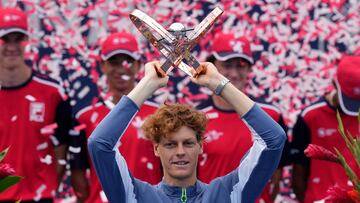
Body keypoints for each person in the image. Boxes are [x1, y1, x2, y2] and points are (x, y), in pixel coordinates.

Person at [87, 60, 286, 202]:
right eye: (170, 144)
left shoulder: (227, 193)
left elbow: (274, 140)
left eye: (188, 143)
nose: (180, 151)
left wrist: (219, 84)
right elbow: (99, 144)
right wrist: (146, 86)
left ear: (200, 146)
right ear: (156, 149)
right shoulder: (136, 195)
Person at [197, 31, 290, 202]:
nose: (234, 73)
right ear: (212, 65)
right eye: (227, 64)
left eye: (240, 64)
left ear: (249, 69)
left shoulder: (270, 116)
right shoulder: (195, 118)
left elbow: (276, 173)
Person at [70, 32, 162, 202]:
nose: (121, 68)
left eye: (127, 61)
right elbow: (78, 170)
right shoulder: (84, 116)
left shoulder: (160, 114)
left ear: (139, 65)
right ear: (103, 65)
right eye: (114, 62)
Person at [0, 7, 71, 202]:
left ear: (26, 41)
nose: (12, 46)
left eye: (18, 38)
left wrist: (45, 189)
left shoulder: (53, 91)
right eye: (5, 39)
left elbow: (61, 150)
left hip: (39, 197)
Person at [291, 55, 360, 203]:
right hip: (320, 198)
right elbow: (298, 171)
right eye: (350, 100)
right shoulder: (311, 116)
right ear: (335, 83)